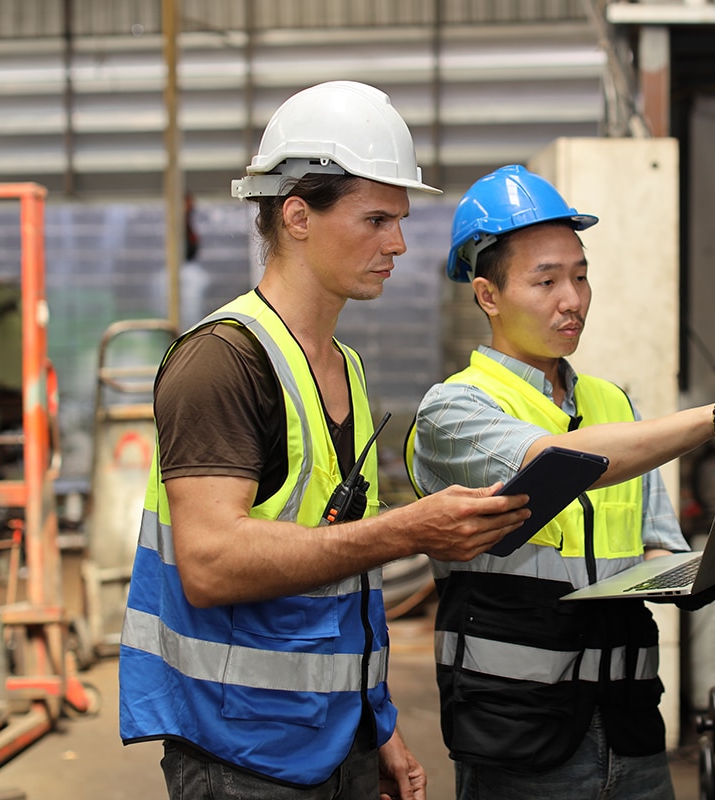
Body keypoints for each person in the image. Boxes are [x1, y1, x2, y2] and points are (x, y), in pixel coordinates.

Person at [118, 81, 531, 800]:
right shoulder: (221, 361)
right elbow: (210, 563)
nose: (398, 243)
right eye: (376, 219)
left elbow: (338, 576)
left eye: (399, 220)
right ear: (298, 215)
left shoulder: (345, 366)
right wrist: (409, 530)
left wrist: (377, 724)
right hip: (240, 752)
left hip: (335, 741)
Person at [405, 164, 715, 799]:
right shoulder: (454, 410)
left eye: (580, 276)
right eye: (546, 281)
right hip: (520, 733)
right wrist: (712, 418)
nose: (572, 299)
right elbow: (555, 460)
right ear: (488, 295)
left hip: (630, 724)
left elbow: (655, 545)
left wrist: (700, 572)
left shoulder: (614, 405)